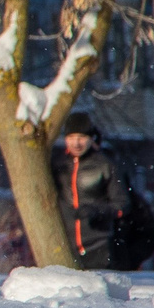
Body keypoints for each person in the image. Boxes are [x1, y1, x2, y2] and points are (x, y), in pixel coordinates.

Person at [53, 112, 129, 272]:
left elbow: (122, 205)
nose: (76, 143)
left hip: (98, 246)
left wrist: (97, 210)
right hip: (65, 247)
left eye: (81, 137)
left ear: (91, 138)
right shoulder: (58, 166)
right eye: (71, 137)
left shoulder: (105, 165)